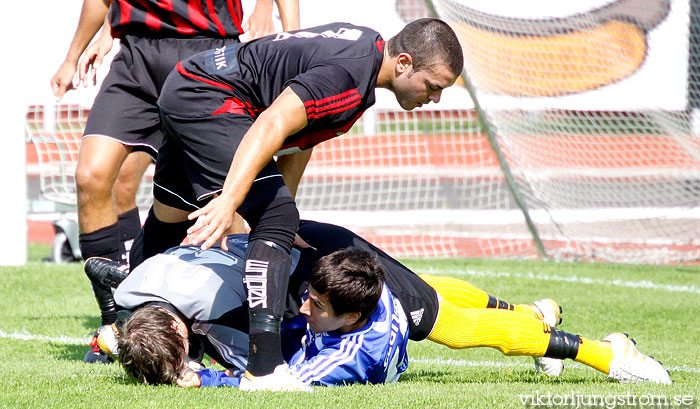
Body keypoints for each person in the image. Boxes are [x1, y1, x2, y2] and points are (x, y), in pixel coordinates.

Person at [137, 18, 464, 389]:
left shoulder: (364, 53)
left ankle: (128, 322)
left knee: (172, 209)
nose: (434, 97)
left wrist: (278, 224)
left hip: (190, 87)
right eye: (433, 86)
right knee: (275, 214)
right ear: (403, 62)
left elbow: (296, 139)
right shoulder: (349, 74)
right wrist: (234, 201)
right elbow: (272, 123)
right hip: (208, 97)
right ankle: (264, 367)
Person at [86, 220, 672, 388]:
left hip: (314, 257)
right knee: (428, 297)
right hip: (297, 250)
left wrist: (218, 377)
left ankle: (605, 352)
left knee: (448, 326)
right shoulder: (137, 293)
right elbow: (117, 319)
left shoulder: (209, 309)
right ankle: (530, 315)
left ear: (183, 329)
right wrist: (113, 344)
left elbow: (253, 350)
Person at [50, 0, 300, 363]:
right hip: (135, 55)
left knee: (223, 199)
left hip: (206, 52)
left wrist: (270, 15)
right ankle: (116, 326)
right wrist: (79, 51)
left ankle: (231, 328)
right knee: (91, 176)